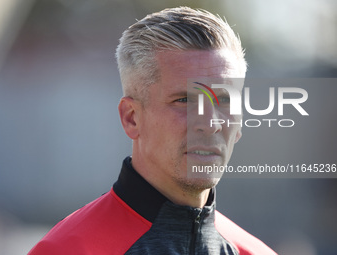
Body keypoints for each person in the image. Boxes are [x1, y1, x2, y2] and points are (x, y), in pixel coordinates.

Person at [29, 6, 277, 255]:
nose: (211, 122)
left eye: (225, 101)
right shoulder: (68, 250)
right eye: (184, 100)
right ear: (131, 118)